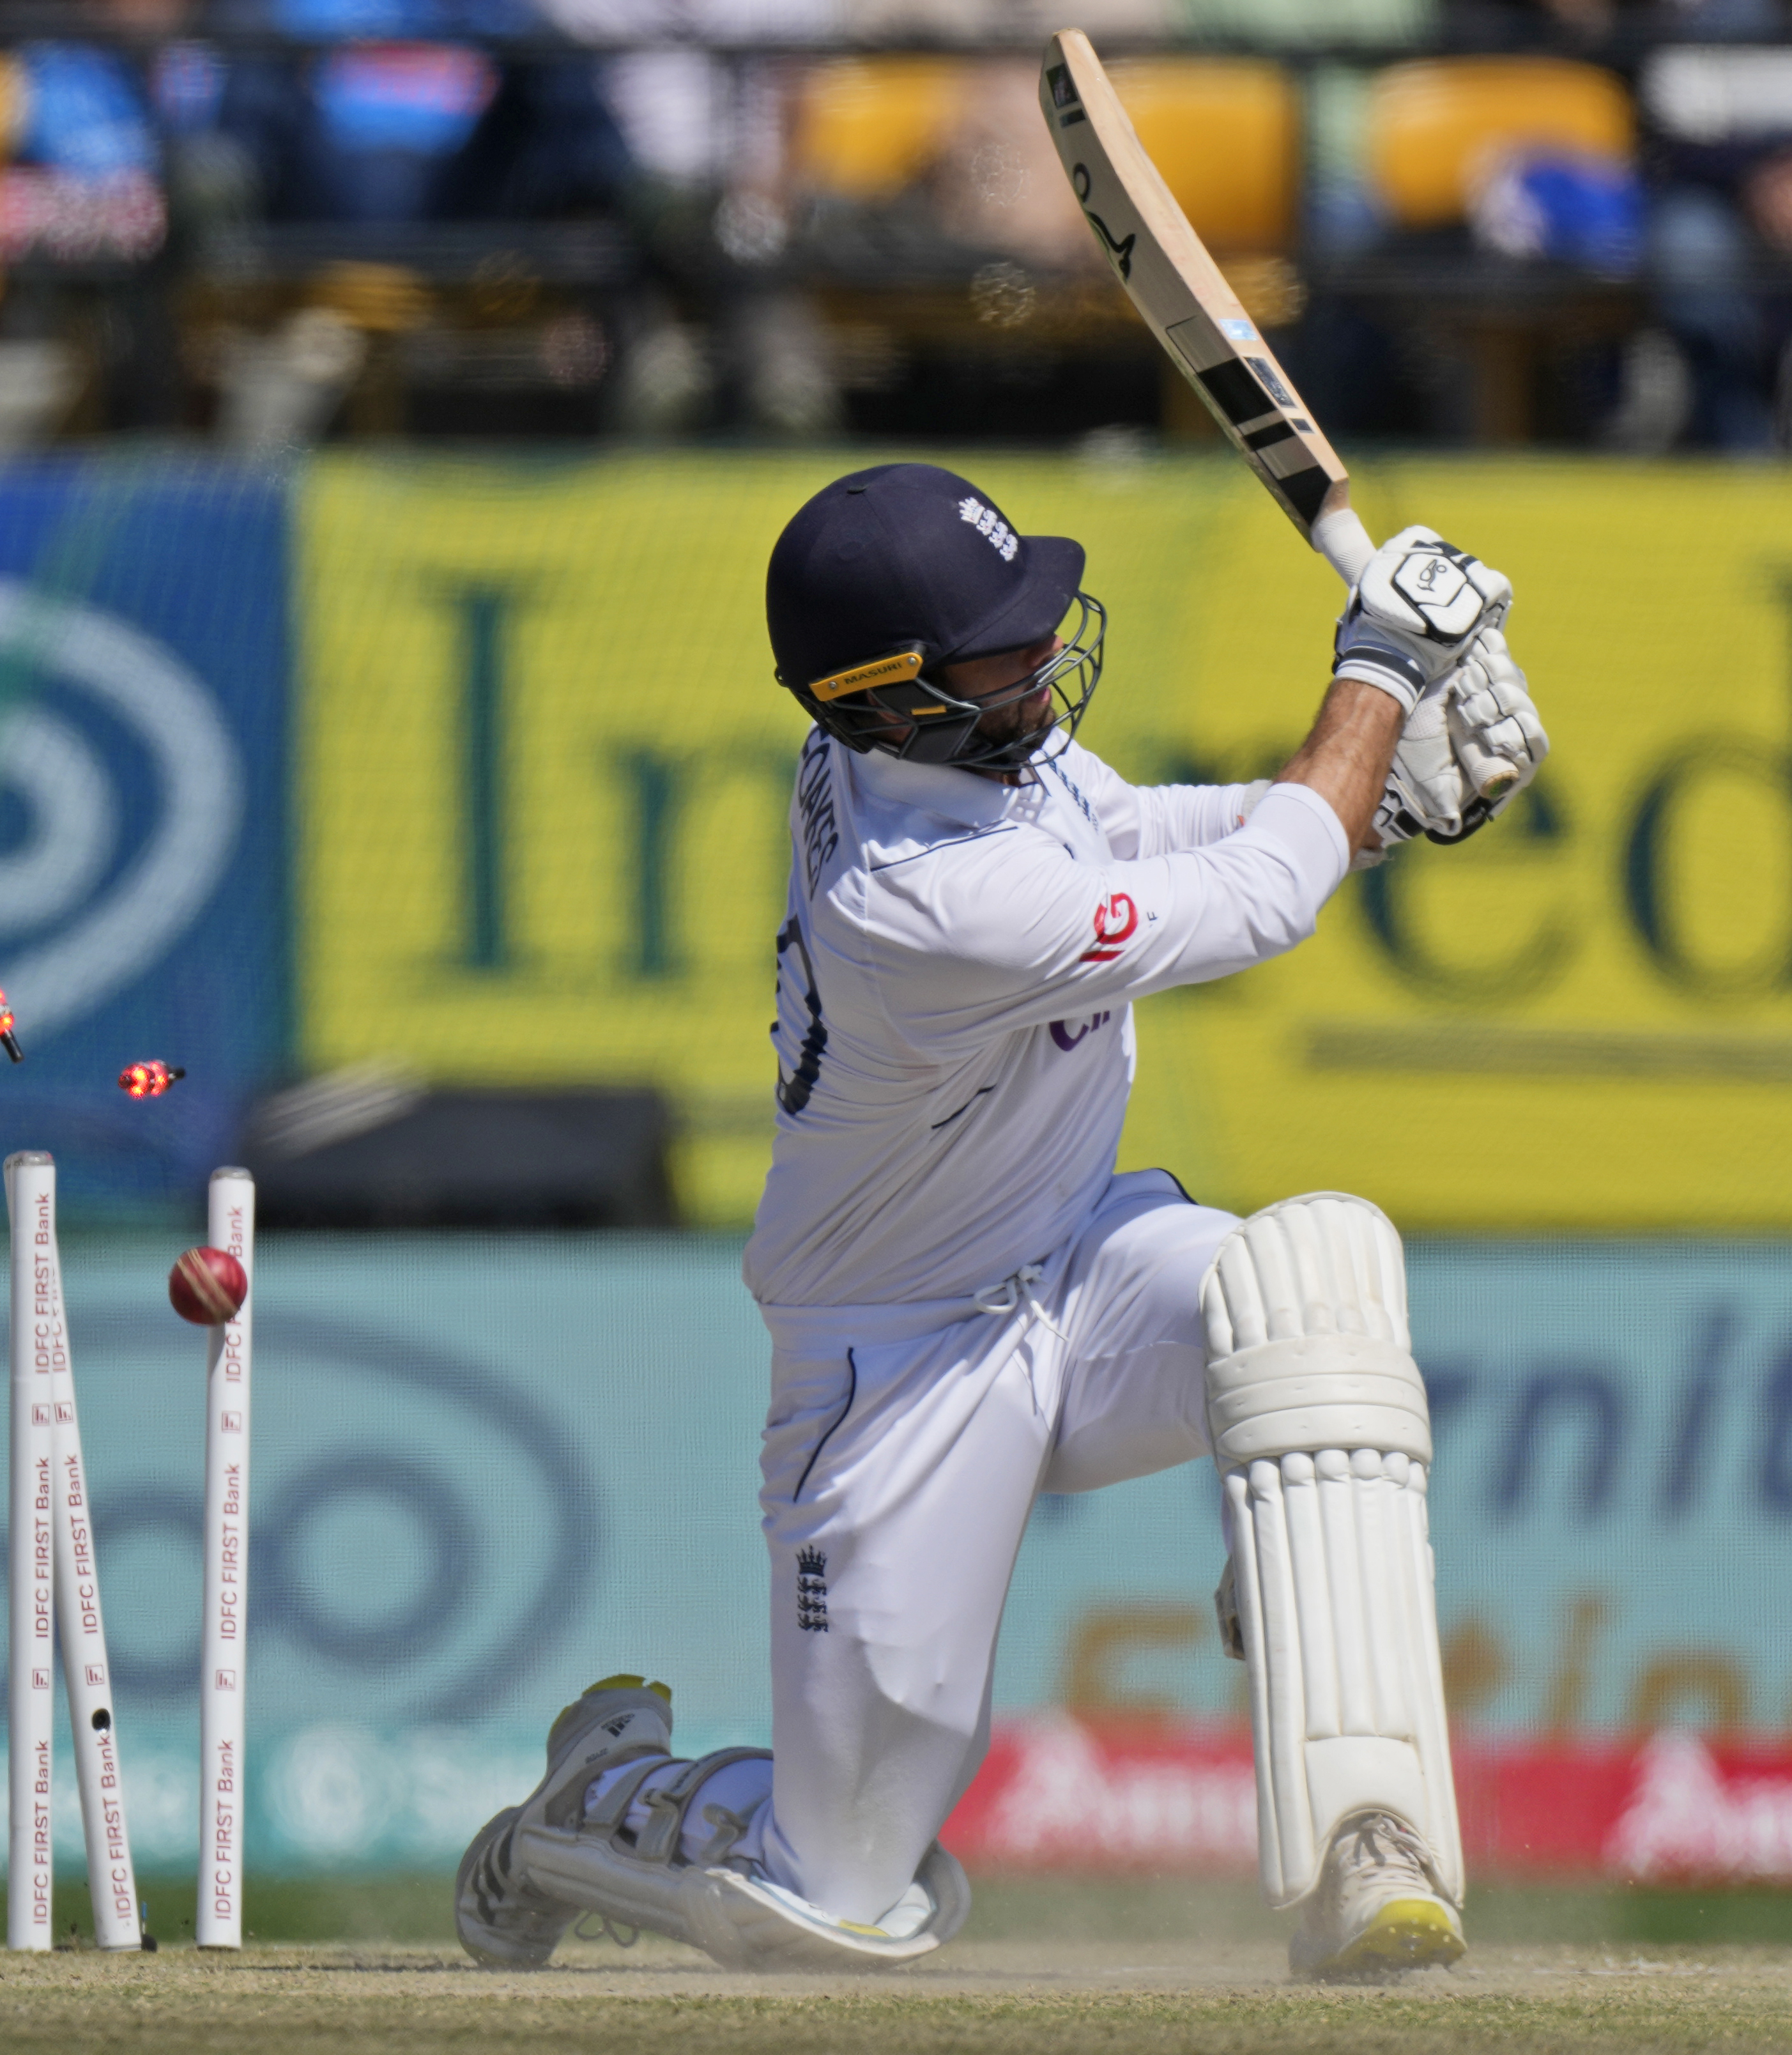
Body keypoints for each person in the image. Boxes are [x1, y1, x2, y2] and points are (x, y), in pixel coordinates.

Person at [453, 461, 1549, 1980]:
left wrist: (1378, 802)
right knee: (838, 1902)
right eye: (996, 652)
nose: (1040, 659)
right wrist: (1377, 676)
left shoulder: (961, 746)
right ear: (885, 700)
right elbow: (1254, 905)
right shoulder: (915, 900)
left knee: (1312, 1287)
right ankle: (596, 1804)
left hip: (1081, 1265)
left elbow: (1146, 835)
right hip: (897, 1362)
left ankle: (1370, 1845)